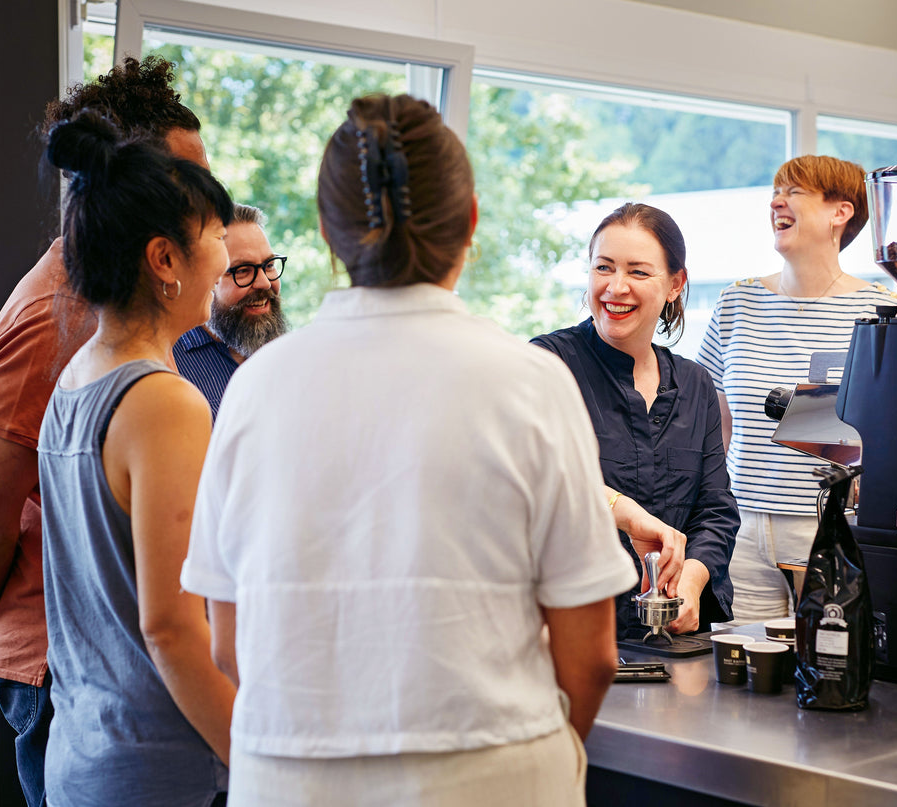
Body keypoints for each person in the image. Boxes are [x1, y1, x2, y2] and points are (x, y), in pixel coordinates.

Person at [181, 93, 638, 807]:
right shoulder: (531, 381)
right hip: (495, 778)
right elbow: (592, 656)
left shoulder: (255, 388)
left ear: (330, 238)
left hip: (292, 780)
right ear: (471, 223)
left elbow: (229, 647)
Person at [0, 55, 208, 807]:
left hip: (108, 663)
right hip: (68, 667)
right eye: (188, 190)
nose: (203, 214)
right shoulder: (53, 317)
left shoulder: (119, 316)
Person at [36, 109, 235, 806]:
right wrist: (260, 759)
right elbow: (172, 627)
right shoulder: (166, 403)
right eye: (216, 234)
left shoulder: (75, 379)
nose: (227, 256)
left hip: (83, 758)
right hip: (160, 771)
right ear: (164, 260)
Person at [697, 154, 897, 625]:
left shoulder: (885, 313)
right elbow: (716, 422)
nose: (776, 202)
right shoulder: (738, 302)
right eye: (776, 192)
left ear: (841, 211)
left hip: (827, 525)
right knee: (745, 670)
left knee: (826, 663)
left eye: (794, 192)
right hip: (742, 525)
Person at [532, 203, 739, 638]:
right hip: (572, 629)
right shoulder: (548, 363)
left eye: (639, 272)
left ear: (674, 285)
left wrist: (694, 580)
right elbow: (536, 477)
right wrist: (623, 513)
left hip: (673, 638)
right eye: (603, 268)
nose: (616, 287)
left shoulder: (695, 383)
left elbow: (716, 509)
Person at [174, 203, 287, 418]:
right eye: (242, 271)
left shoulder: (291, 356)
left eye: (269, 265)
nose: (264, 282)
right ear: (202, 279)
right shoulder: (169, 367)